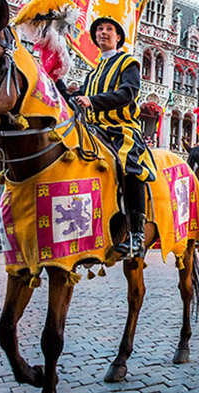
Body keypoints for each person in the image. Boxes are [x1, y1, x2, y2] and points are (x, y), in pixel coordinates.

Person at [55, 16, 156, 258]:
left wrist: (93, 101)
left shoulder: (128, 63)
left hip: (120, 128)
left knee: (131, 165)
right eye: (99, 29)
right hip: (91, 129)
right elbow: (72, 100)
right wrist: (57, 82)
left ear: (118, 36)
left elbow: (127, 93)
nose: (103, 33)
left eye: (109, 29)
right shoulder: (93, 74)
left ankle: (136, 234)